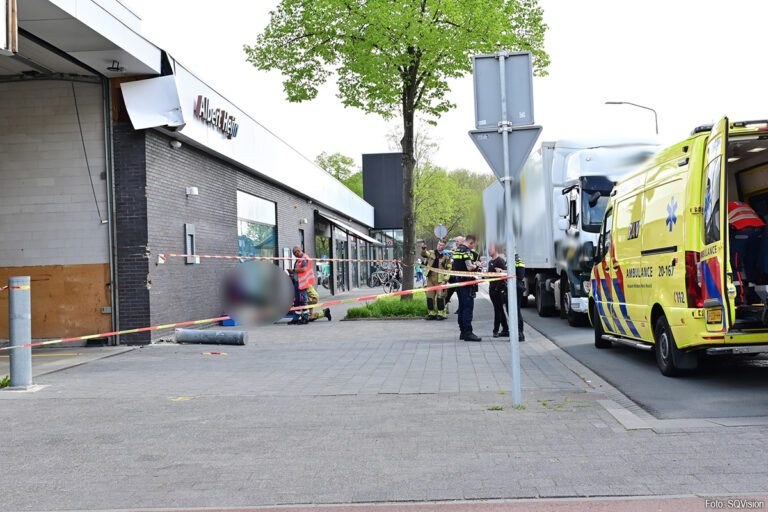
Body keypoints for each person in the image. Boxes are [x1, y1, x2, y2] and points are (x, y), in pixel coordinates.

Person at [452, 234, 481, 341]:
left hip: (459, 281)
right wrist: (476, 264)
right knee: (468, 307)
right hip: (466, 283)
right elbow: (469, 267)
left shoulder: (458, 250)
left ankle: (462, 332)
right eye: (474, 245)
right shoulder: (466, 251)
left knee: (462, 307)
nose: (474, 247)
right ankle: (468, 332)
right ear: (471, 242)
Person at [421, 240, 452, 320]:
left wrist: (445, 279)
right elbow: (424, 254)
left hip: (440, 279)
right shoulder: (431, 252)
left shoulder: (447, 256)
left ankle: (441, 314)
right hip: (430, 278)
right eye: (438, 244)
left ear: (444, 247)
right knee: (429, 297)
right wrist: (423, 248)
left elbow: (449, 269)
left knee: (440, 297)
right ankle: (432, 313)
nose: (439, 246)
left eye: (441, 245)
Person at [286, 245, 315, 324]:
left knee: (303, 301)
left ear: (298, 251)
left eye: (295, 253)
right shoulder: (299, 259)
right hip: (297, 282)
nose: (295, 254)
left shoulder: (304, 258)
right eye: (294, 253)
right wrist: (292, 274)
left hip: (302, 283)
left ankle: (306, 318)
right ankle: (296, 318)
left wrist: (293, 270)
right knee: (297, 302)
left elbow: (304, 269)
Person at [487, 244, 510, 338]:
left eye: (490, 249)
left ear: (495, 249)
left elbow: (505, 274)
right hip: (492, 289)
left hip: (498, 290)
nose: (488, 250)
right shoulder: (490, 262)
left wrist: (497, 289)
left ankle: (495, 330)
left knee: (498, 311)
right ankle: (505, 329)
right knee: (499, 310)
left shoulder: (500, 261)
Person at [444, 236, 465, 309]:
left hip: (459, 277)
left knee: (460, 295)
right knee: (450, 293)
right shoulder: (451, 256)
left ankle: (460, 308)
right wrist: (450, 252)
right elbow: (444, 251)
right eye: (455, 241)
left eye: (457, 241)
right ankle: (443, 306)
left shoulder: (463, 250)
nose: (456, 243)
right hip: (453, 278)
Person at [515, 254, 526, 341]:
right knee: (515, 310)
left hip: (515, 287)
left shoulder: (516, 260)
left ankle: (519, 333)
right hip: (516, 287)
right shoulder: (515, 260)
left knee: (516, 311)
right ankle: (518, 332)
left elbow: (519, 275)